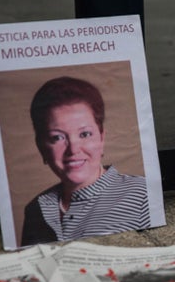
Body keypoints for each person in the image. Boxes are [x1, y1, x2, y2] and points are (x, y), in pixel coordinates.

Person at [21, 76, 150, 246]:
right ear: (41, 146)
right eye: (57, 137)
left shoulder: (143, 195)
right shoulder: (35, 209)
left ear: (102, 138)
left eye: (84, 134)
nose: (73, 149)